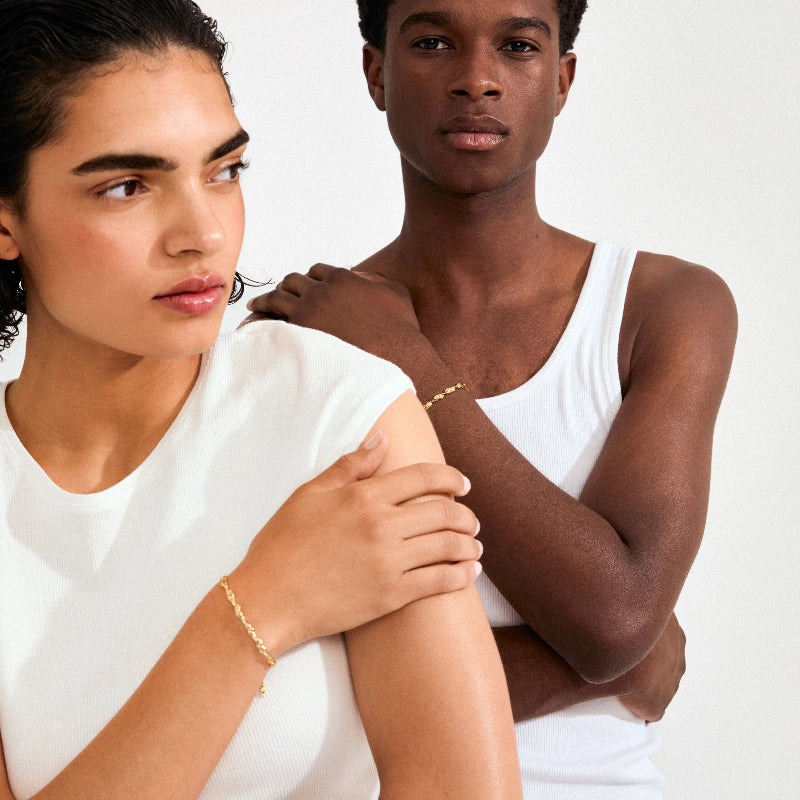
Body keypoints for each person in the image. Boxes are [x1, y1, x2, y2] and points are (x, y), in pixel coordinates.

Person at [0, 1, 524, 798]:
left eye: (223, 171)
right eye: (128, 186)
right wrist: (257, 608)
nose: (201, 232)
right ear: (6, 218)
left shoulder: (342, 418)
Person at [247, 0, 738, 796]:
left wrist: (403, 358)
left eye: (517, 46)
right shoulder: (302, 337)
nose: (477, 80)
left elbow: (614, 616)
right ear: (377, 71)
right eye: (434, 42)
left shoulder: (661, 305)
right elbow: (281, 684)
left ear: (562, 79)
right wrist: (597, 669)